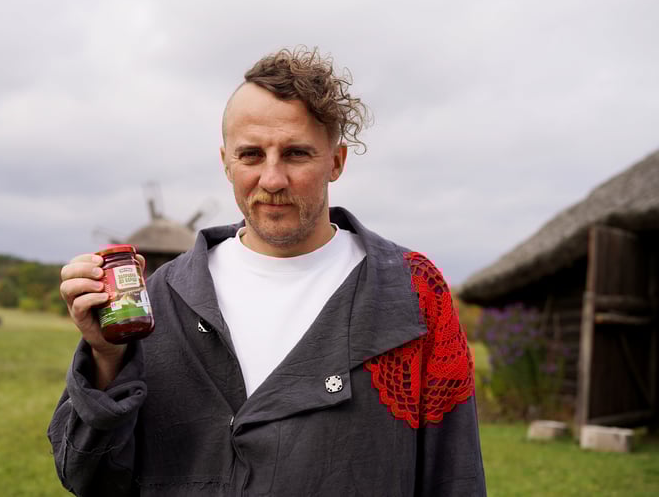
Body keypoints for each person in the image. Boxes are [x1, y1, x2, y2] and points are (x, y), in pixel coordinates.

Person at [48, 47, 486, 496]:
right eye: (252, 155)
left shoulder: (412, 294)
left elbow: (455, 476)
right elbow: (89, 477)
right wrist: (107, 358)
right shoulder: (163, 300)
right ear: (226, 162)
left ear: (336, 161)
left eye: (296, 154)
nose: (272, 179)